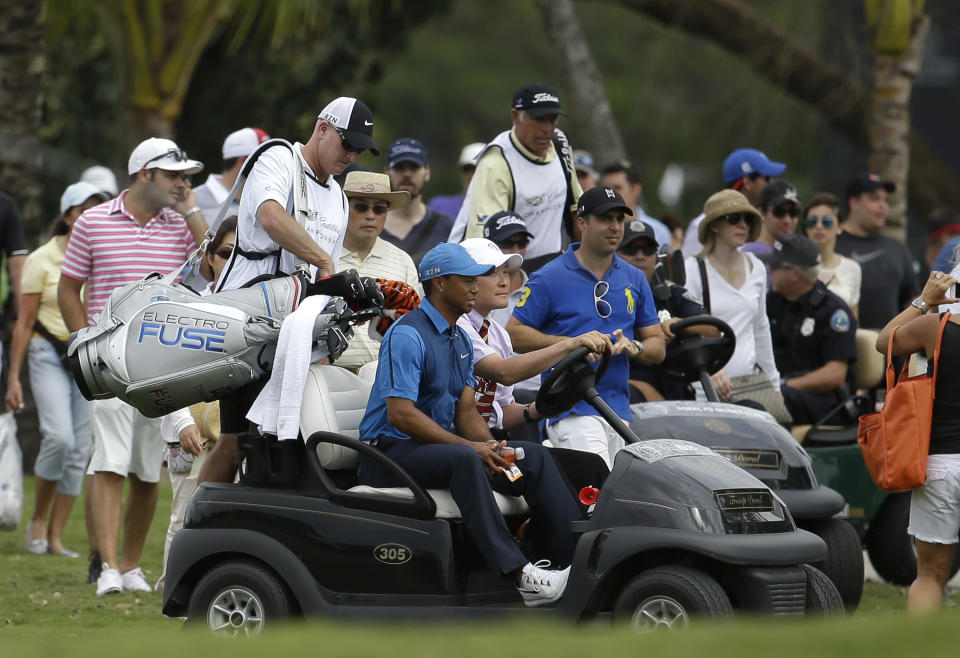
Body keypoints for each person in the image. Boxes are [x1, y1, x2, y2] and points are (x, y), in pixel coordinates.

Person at [356, 242, 581, 606]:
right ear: (440, 283)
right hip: (388, 455)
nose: (477, 286)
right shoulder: (406, 334)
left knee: (531, 456)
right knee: (465, 460)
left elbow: (466, 414)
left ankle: (570, 564)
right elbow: (401, 414)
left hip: (432, 451)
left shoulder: (459, 338)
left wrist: (492, 447)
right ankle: (521, 576)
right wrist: (470, 448)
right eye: (468, 280)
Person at [201, 96, 376, 484]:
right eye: (347, 144)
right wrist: (325, 263)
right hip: (245, 323)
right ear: (322, 129)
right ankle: (196, 524)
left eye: (360, 150)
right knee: (235, 440)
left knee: (286, 442)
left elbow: (325, 276)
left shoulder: (338, 198)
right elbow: (270, 215)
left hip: (296, 334)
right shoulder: (278, 157)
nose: (352, 155)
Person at [58, 137, 204, 596]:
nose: (183, 183)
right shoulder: (94, 222)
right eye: (174, 176)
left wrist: (193, 209)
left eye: (186, 177)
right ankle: (106, 570)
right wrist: (84, 346)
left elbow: (218, 266)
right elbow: (69, 289)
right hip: (108, 366)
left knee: (146, 470)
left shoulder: (180, 226)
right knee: (109, 464)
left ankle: (130, 566)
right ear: (145, 175)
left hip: (161, 364)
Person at [507, 186, 665, 468]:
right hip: (571, 410)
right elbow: (514, 334)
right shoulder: (549, 276)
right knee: (598, 498)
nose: (615, 226)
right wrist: (572, 343)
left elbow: (657, 346)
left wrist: (634, 346)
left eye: (619, 219)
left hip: (619, 410)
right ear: (582, 222)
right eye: (606, 218)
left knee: (620, 502)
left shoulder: (635, 278)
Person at [6, 182, 106, 557]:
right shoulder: (41, 259)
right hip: (46, 351)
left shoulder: (100, 254)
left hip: (84, 355)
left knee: (81, 448)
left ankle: (55, 536)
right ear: (68, 216)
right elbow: (24, 321)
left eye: (98, 209)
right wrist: (13, 378)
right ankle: (37, 520)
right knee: (60, 438)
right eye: (84, 210)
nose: (91, 217)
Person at [155, 218, 236, 592]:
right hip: (194, 434)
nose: (233, 260)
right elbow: (164, 373)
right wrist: (182, 421)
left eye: (243, 254)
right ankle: (176, 591)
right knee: (184, 517)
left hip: (240, 435)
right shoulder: (187, 306)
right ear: (208, 257)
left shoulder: (265, 308)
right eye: (225, 252)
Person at [875, 269, 960, 613]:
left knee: (929, 573)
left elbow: (884, 342)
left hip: (940, 463)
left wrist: (924, 301)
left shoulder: (935, 328)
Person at [457, 237, 608, 430]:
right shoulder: (456, 324)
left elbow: (502, 412)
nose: (504, 282)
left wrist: (542, 408)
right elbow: (504, 372)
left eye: (505, 272)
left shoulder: (498, 333)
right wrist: (570, 344)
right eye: (492, 273)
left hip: (486, 438)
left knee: (580, 461)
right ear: (465, 280)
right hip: (455, 440)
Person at [449, 82, 582, 262]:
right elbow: (484, 245)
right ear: (515, 116)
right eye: (539, 119)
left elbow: (578, 212)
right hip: (496, 268)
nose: (547, 128)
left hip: (550, 265)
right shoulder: (496, 163)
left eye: (552, 119)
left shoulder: (560, 142)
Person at [684, 189, 781, 401]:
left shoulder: (756, 267)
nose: (743, 225)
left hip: (750, 388)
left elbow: (761, 328)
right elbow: (686, 331)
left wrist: (775, 384)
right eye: (734, 218)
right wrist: (710, 369)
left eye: (747, 218)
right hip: (705, 389)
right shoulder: (692, 269)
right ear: (714, 225)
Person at [765, 235, 857, 425]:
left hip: (823, 401)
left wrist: (783, 387)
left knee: (772, 401)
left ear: (795, 273)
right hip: (782, 387)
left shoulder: (832, 311)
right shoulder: (773, 301)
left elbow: (835, 375)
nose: (769, 271)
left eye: (774, 267)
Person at [617, 219, 710, 402]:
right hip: (629, 392)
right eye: (631, 249)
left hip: (677, 393)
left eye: (648, 249)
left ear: (656, 257)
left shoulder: (670, 293)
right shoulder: (605, 299)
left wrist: (679, 325)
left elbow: (713, 330)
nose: (640, 255)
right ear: (615, 255)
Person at [335, 171, 420, 370]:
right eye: (361, 207)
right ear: (343, 207)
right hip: (328, 373)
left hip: (385, 374)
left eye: (380, 209)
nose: (371, 215)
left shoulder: (403, 261)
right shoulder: (321, 256)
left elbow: (413, 325)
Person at [835, 173, 917, 330]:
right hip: (846, 346)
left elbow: (911, 298)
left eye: (885, 200)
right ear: (853, 203)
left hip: (891, 348)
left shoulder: (897, 248)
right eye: (874, 199)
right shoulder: (833, 244)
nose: (883, 206)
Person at [681, 148, 785, 258]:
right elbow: (688, 271)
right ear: (748, 182)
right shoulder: (703, 224)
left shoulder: (762, 222)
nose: (772, 184)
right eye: (767, 178)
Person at [381, 138, 453, 265]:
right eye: (399, 167)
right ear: (387, 172)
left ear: (427, 173)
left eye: (414, 167)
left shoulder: (446, 227)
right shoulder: (371, 224)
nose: (407, 174)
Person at [800, 192, 861, 316]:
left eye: (826, 221)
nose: (818, 226)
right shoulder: (797, 266)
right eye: (812, 221)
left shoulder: (852, 268)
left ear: (839, 227)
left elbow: (854, 320)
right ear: (806, 228)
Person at [193, 127, 270, 219]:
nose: (270, 166)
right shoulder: (193, 201)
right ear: (243, 162)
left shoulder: (265, 200)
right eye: (265, 161)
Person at [599, 160, 671, 248]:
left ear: (636, 190)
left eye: (617, 188)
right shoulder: (596, 229)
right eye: (606, 189)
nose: (610, 194)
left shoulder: (658, 231)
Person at [483, 211, 535, 327]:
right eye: (507, 243)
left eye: (522, 243)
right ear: (489, 245)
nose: (516, 250)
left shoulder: (539, 287)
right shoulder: (477, 292)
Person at [743, 180, 801, 260]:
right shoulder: (748, 255)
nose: (787, 220)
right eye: (779, 212)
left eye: (793, 213)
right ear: (761, 213)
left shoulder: (797, 255)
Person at [427, 142, 484, 220]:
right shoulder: (438, 206)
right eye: (467, 169)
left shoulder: (498, 210)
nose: (471, 175)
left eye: (478, 169)